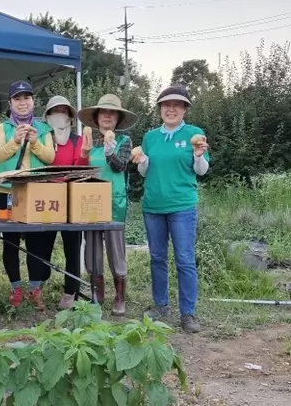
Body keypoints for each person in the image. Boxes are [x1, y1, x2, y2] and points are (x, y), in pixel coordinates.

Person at [133, 86, 210, 333]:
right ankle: (160, 305)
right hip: (153, 205)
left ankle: (188, 313)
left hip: (182, 206)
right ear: (160, 109)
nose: (171, 109)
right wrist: (143, 162)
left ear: (185, 109)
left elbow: (202, 171)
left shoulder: (194, 133)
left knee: (185, 259)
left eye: (177, 104)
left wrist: (198, 155)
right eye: (166, 105)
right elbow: (144, 171)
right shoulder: (150, 137)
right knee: (157, 258)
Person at [0, 81, 56, 310]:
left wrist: (35, 143)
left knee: (36, 243)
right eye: (17, 98)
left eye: (26, 98)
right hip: (6, 193)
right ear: (10, 103)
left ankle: (36, 289)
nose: (22, 102)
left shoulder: (45, 129)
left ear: (33, 101)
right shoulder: (1, 129)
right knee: (10, 243)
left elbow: (51, 158)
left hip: (37, 193)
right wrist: (15, 141)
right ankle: (16, 289)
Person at [28, 96, 90, 310]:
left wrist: (83, 155)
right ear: (47, 116)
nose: (60, 115)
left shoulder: (77, 140)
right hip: (45, 196)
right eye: (55, 111)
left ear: (71, 117)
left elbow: (79, 168)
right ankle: (39, 283)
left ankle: (69, 291)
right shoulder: (43, 138)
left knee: (72, 247)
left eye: (64, 111)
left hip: (70, 197)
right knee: (41, 245)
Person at [78, 94, 138, 316]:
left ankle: (120, 296)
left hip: (115, 201)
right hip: (90, 201)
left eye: (112, 113)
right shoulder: (89, 143)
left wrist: (110, 149)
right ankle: (97, 293)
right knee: (92, 248)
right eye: (103, 112)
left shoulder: (125, 142)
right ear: (96, 117)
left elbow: (120, 166)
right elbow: (81, 171)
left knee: (116, 250)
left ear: (117, 119)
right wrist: (83, 155)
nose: (107, 116)